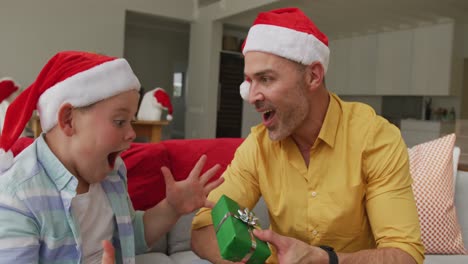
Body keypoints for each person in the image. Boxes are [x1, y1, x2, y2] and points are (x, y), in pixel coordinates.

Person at [191, 7, 424, 264]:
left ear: (313, 76)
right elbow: (203, 229)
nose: (252, 96)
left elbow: (405, 255)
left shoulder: (375, 138)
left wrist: (327, 260)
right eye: (249, 81)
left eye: (265, 79)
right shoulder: (257, 147)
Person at [0, 51, 224, 263]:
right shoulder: (17, 198)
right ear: (68, 120)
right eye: (119, 121)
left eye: (132, 122)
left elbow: (128, 236)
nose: (132, 134)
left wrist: (171, 208)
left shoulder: (113, 172)